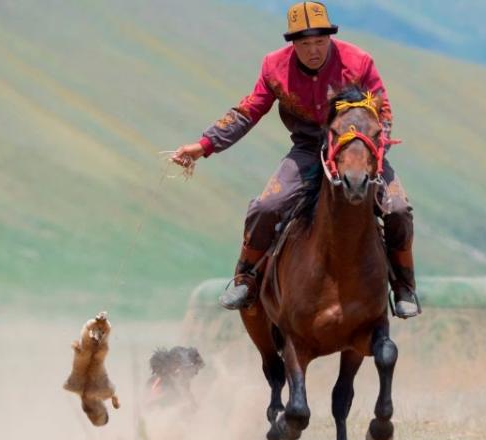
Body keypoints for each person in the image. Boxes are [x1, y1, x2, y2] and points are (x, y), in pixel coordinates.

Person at [172, 1, 419, 318]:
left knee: (399, 208)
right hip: (307, 148)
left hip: (356, 147)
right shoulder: (274, 68)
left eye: (319, 41)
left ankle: (403, 286)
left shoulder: (359, 62)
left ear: (329, 38)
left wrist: (372, 150)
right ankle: (246, 278)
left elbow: (382, 112)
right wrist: (204, 145)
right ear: (292, 44)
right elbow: (249, 111)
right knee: (266, 206)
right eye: (304, 44)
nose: (313, 50)